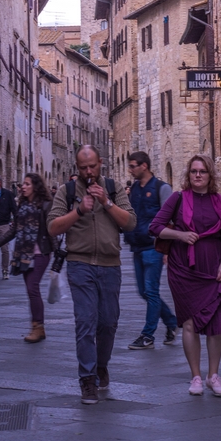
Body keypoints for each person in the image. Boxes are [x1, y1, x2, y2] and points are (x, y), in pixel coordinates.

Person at [48, 145, 136, 405]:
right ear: (77, 168)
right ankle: (87, 379)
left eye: (92, 166)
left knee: (108, 322)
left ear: (101, 164)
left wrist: (106, 203)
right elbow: (52, 227)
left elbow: (130, 222)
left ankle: (101, 366)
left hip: (110, 265)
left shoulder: (113, 188)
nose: (88, 172)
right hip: (80, 264)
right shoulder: (68, 192)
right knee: (85, 321)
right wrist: (79, 211)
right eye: (83, 168)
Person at [150, 154, 221, 397]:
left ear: (210, 175)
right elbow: (155, 226)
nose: (197, 175)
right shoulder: (178, 198)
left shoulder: (220, 202)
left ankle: (214, 375)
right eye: (193, 171)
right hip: (183, 268)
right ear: (188, 175)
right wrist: (180, 235)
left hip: (214, 266)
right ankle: (196, 376)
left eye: (202, 171)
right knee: (189, 321)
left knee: (216, 322)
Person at [0, 172, 54, 343]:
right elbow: (14, 229)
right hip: (23, 253)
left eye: (27, 184)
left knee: (33, 287)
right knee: (31, 290)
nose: (23, 186)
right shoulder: (22, 206)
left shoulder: (46, 204)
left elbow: (53, 228)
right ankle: (38, 327)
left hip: (40, 252)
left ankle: (37, 327)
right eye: (23, 184)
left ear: (36, 186)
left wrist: (59, 252)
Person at [125, 152, 178, 351]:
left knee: (151, 291)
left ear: (144, 166)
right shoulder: (135, 189)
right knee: (143, 291)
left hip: (153, 247)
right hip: (137, 246)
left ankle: (148, 335)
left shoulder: (161, 188)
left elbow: (171, 220)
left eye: (133, 166)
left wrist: (167, 250)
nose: (130, 170)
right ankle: (171, 322)